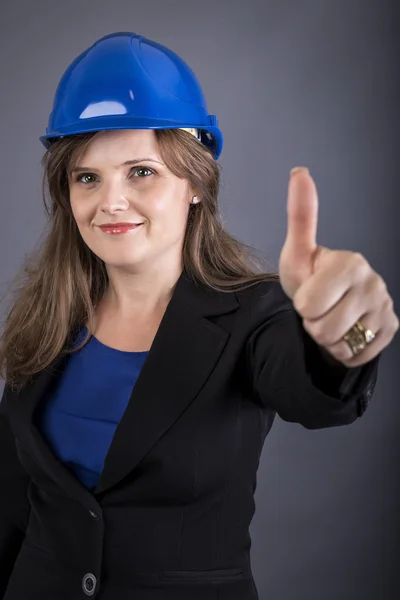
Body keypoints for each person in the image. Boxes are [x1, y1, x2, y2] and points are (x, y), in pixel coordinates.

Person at [0, 31, 397, 600]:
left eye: (141, 172)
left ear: (193, 184)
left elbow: (314, 390)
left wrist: (347, 339)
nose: (110, 201)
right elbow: (11, 498)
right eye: (87, 177)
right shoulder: (47, 314)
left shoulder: (254, 315)